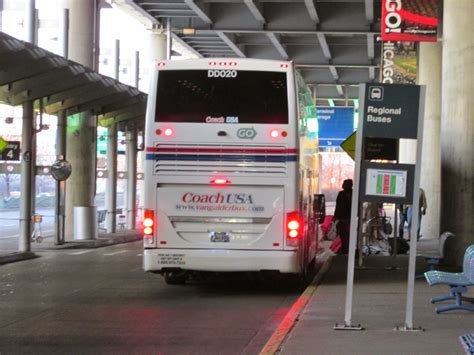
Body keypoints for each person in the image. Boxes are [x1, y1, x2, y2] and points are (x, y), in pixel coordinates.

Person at [333, 179, 353, 254]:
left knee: (342, 234)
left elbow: (338, 206)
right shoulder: (353, 194)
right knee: (346, 235)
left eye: (344, 183)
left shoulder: (341, 194)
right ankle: (345, 249)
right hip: (349, 218)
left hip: (343, 218)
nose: (342, 185)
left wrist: (335, 217)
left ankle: (343, 249)